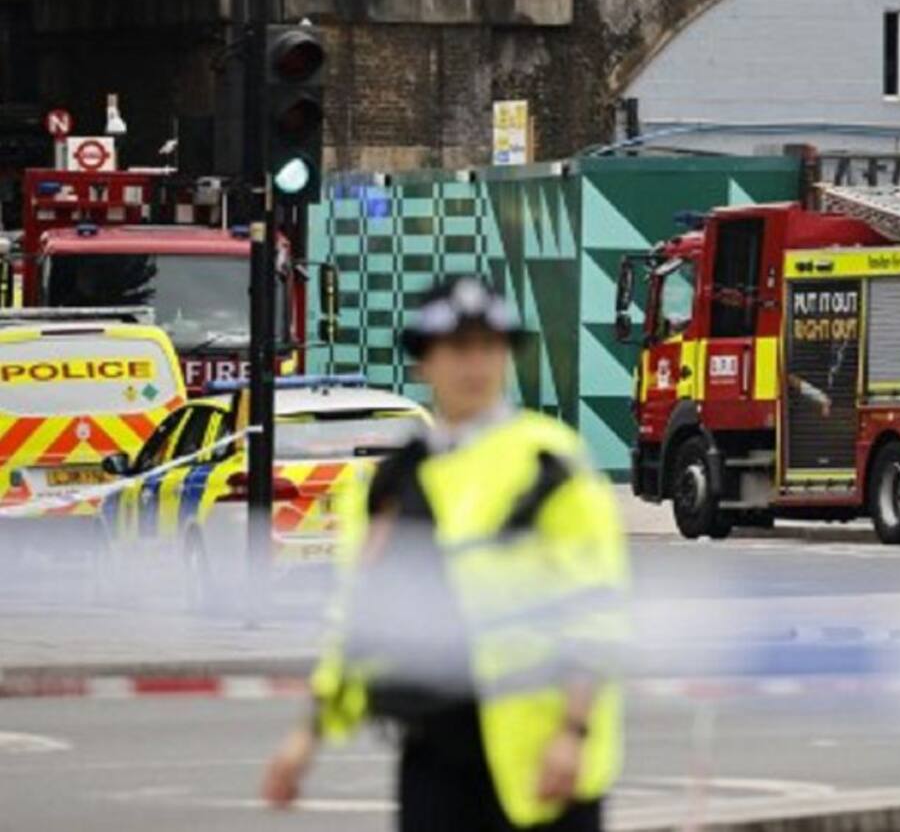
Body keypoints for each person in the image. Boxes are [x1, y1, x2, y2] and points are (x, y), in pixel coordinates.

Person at [261, 275, 629, 832]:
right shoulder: (391, 483)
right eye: (457, 349)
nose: (474, 365)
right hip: (435, 751)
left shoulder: (548, 460)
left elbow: (596, 605)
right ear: (424, 361)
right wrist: (304, 739)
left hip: (538, 752)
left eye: (489, 347)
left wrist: (571, 734)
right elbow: (360, 619)